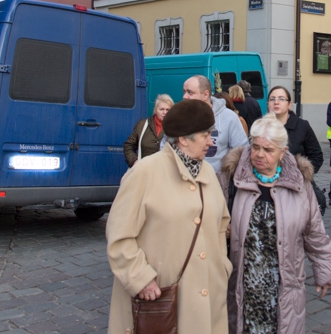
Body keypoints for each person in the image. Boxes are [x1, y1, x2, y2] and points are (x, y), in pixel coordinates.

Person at [106, 99, 232, 334]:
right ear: (184, 139)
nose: (211, 141)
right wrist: (139, 277)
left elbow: (220, 223)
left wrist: (221, 267)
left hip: (207, 296)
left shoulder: (207, 171)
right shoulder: (145, 172)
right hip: (160, 297)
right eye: (205, 135)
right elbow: (119, 235)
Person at [217, 116, 331, 334]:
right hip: (242, 288)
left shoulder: (299, 184)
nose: (260, 154)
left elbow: (315, 232)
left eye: (268, 149)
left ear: (283, 152)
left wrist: (325, 269)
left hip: (283, 288)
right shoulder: (231, 177)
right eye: (255, 147)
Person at [184, 75, 248, 173]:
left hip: (217, 183)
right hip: (184, 182)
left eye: (190, 92)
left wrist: (227, 176)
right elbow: (166, 148)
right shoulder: (180, 117)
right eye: (184, 92)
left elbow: (242, 152)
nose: (185, 96)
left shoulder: (229, 117)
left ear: (205, 94)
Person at [266, 86, 324, 173]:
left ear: (289, 104)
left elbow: (317, 156)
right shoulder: (261, 127)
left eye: (281, 99)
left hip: (296, 183)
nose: (276, 102)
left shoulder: (302, 126)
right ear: (268, 103)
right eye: (272, 99)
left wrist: (300, 175)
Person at [122, 93, 174, 167]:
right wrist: (134, 161)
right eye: (161, 109)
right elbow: (129, 145)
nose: (164, 112)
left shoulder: (175, 127)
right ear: (155, 110)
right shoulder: (142, 125)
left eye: (167, 110)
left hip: (165, 172)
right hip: (144, 170)